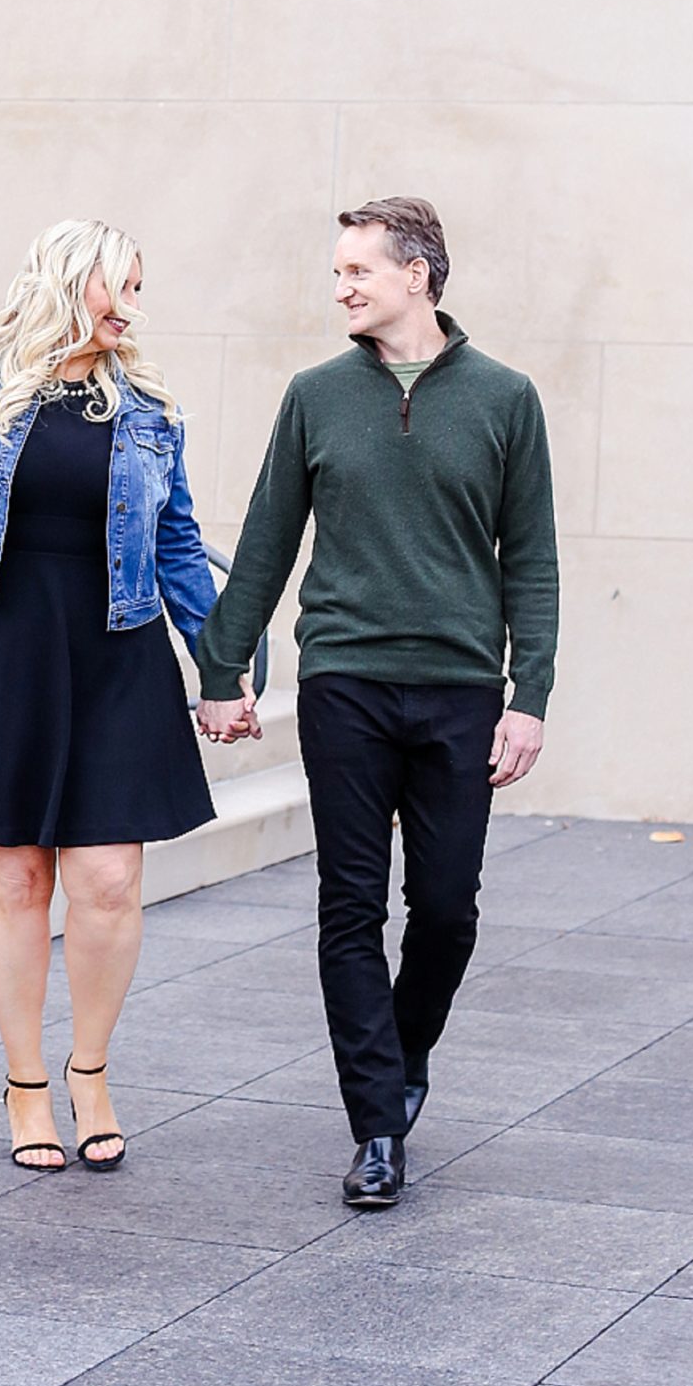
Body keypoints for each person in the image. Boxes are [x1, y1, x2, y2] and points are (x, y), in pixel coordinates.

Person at [195, 196, 558, 1210]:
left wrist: (527, 695)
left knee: (445, 909)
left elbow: (532, 557)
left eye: (359, 270)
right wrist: (223, 670)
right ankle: (378, 1127)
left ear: (418, 275)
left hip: (457, 691)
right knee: (349, 905)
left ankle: (403, 1054)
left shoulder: (504, 397)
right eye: (339, 270)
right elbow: (267, 540)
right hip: (345, 682)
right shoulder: (317, 395)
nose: (343, 286)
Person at [0, 218, 221, 1174]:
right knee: (15, 878)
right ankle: (26, 1082)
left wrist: (220, 663)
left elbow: (179, 540)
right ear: (72, 284)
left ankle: (91, 1070)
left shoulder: (147, 407)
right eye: (122, 289)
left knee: (108, 880)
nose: (134, 309)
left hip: (115, 649)